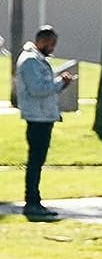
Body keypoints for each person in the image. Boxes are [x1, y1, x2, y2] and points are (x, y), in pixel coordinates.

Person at [15, 25, 74, 219]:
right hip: (37, 118)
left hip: (43, 116)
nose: (52, 48)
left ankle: (34, 200)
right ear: (41, 41)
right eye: (50, 43)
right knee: (35, 161)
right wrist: (60, 82)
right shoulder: (30, 61)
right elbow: (38, 89)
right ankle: (32, 202)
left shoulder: (37, 60)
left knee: (37, 160)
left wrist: (60, 83)